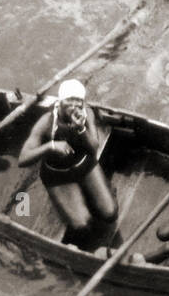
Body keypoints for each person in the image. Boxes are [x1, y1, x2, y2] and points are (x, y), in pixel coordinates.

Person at [17, 79, 117, 241]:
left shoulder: (87, 113)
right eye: (70, 100)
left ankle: (103, 190)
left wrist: (81, 129)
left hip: (84, 165)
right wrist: (50, 145)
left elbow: (93, 149)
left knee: (110, 214)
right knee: (82, 226)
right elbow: (23, 159)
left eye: (78, 101)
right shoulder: (47, 122)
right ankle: (68, 200)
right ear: (60, 101)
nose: (74, 105)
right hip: (58, 175)